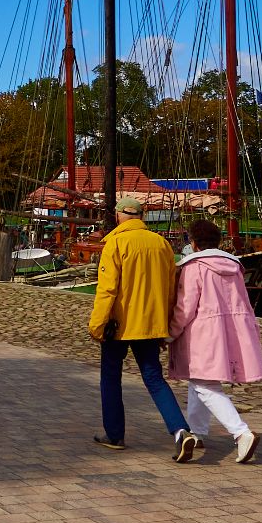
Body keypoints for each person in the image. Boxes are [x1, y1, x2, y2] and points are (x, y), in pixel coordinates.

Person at [88, 193, 199, 459]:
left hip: (119, 325)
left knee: (111, 378)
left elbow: (107, 290)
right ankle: (180, 430)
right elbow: (172, 290)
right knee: (154, 378)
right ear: (142, 216)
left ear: (118, 216)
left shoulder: (115, 244)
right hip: (151, 324)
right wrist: (166, 326)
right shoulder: (161, 245)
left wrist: (97, 325)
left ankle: (114, 434)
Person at [167, 219, 262, 464]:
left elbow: (185, 307)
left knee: (205, 385)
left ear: (193, 242)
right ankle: (198, 431)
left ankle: (241, 433)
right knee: (198, 380)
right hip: (231, 331)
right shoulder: (235, 267)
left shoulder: (194, 267)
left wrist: (170, 333)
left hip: (203, 333)